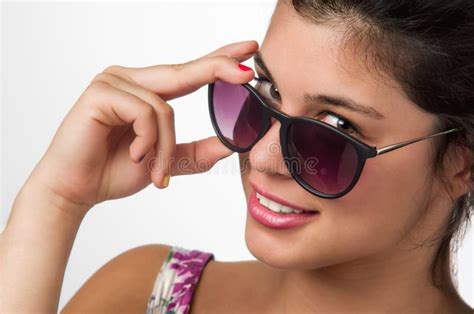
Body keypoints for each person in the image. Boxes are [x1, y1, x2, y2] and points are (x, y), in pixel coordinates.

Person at [1, 0, 473, 313]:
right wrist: (57, 200)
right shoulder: (145, 293)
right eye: (266, 92)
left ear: (462, 163)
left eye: (336, 126)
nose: (262, 157)